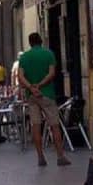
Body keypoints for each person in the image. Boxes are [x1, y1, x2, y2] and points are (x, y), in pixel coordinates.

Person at [16, 33, 71, 167]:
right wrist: (40, 85)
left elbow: (20, 76)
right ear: (41, 41)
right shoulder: (49, 54)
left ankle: (40, 157)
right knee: (54, 125)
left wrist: (31, 87)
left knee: (36, 125)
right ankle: (60, 156)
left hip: (32, 96)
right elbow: (52, 73)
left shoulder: (24, 57)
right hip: (47, 94)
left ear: (30, 43)